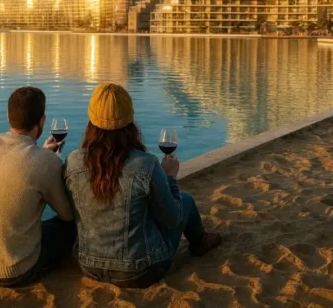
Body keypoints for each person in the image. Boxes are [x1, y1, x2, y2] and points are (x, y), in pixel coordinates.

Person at [65, 83, 221, 288]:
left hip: (89, 265)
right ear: (130, 121)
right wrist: (171, 178)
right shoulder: (146, 164)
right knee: (186, 200)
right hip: (140, 270)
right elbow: (172, 219)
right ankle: (200, 243)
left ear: (91, 121)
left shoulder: (73, 162)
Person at [0, 87, 76, 287]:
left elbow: (17, 159)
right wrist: (48, 159)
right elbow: (67, 214)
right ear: (42, 121)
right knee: (69, 227)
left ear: (8, 117)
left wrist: (41, 153)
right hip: (14, 271)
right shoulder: (44, 162)